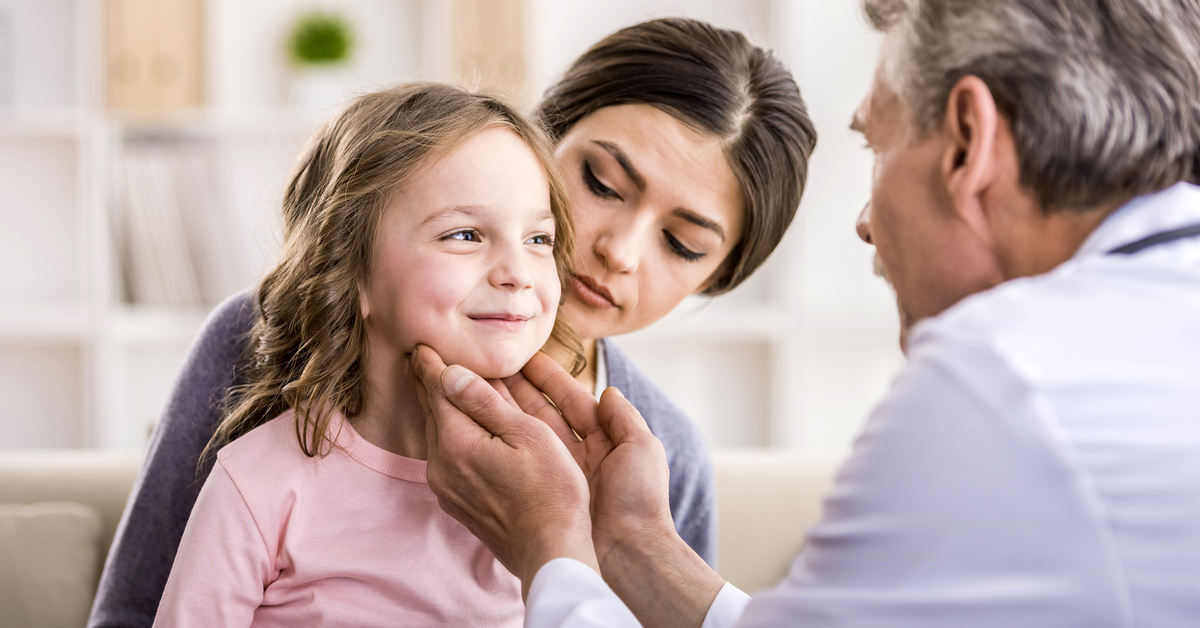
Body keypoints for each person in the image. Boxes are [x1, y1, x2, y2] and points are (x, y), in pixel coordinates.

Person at [409, 0, 1200, 626]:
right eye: (604, 183)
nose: (863, 219)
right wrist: (628, 544)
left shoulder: (1001, 377)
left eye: (878, 148)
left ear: (967, 144)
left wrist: (556, 548)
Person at [88, 17, 818, 628]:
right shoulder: (264, 336)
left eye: (682, 244)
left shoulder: (659, 458)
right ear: (541, 140)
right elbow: (134, 612)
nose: (618, 251)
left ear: (716, 278)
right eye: (600, 182)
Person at [152, 82, 582, 626]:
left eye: (538, 239)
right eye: (466, 234)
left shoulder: (560, 485)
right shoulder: (261, 481)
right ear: (349, 271)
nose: (519, 272)